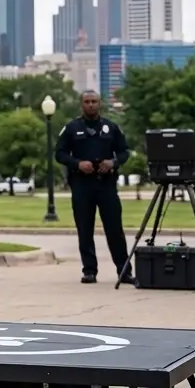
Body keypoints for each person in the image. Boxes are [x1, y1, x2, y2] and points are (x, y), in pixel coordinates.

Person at [55, 90, 134, 285]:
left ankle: (124, 271)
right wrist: (77, 163)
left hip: (106, 184)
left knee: (115, 229)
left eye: (94, 101)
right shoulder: (72, 128)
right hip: (82, 184)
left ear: (100, 104)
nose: (91, 105)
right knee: (85, 228)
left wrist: (113, 162)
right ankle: (89, 270)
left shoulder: (111, 127)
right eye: (87, 102)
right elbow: (60, 153)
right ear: (81, 105)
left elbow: (124, 152)